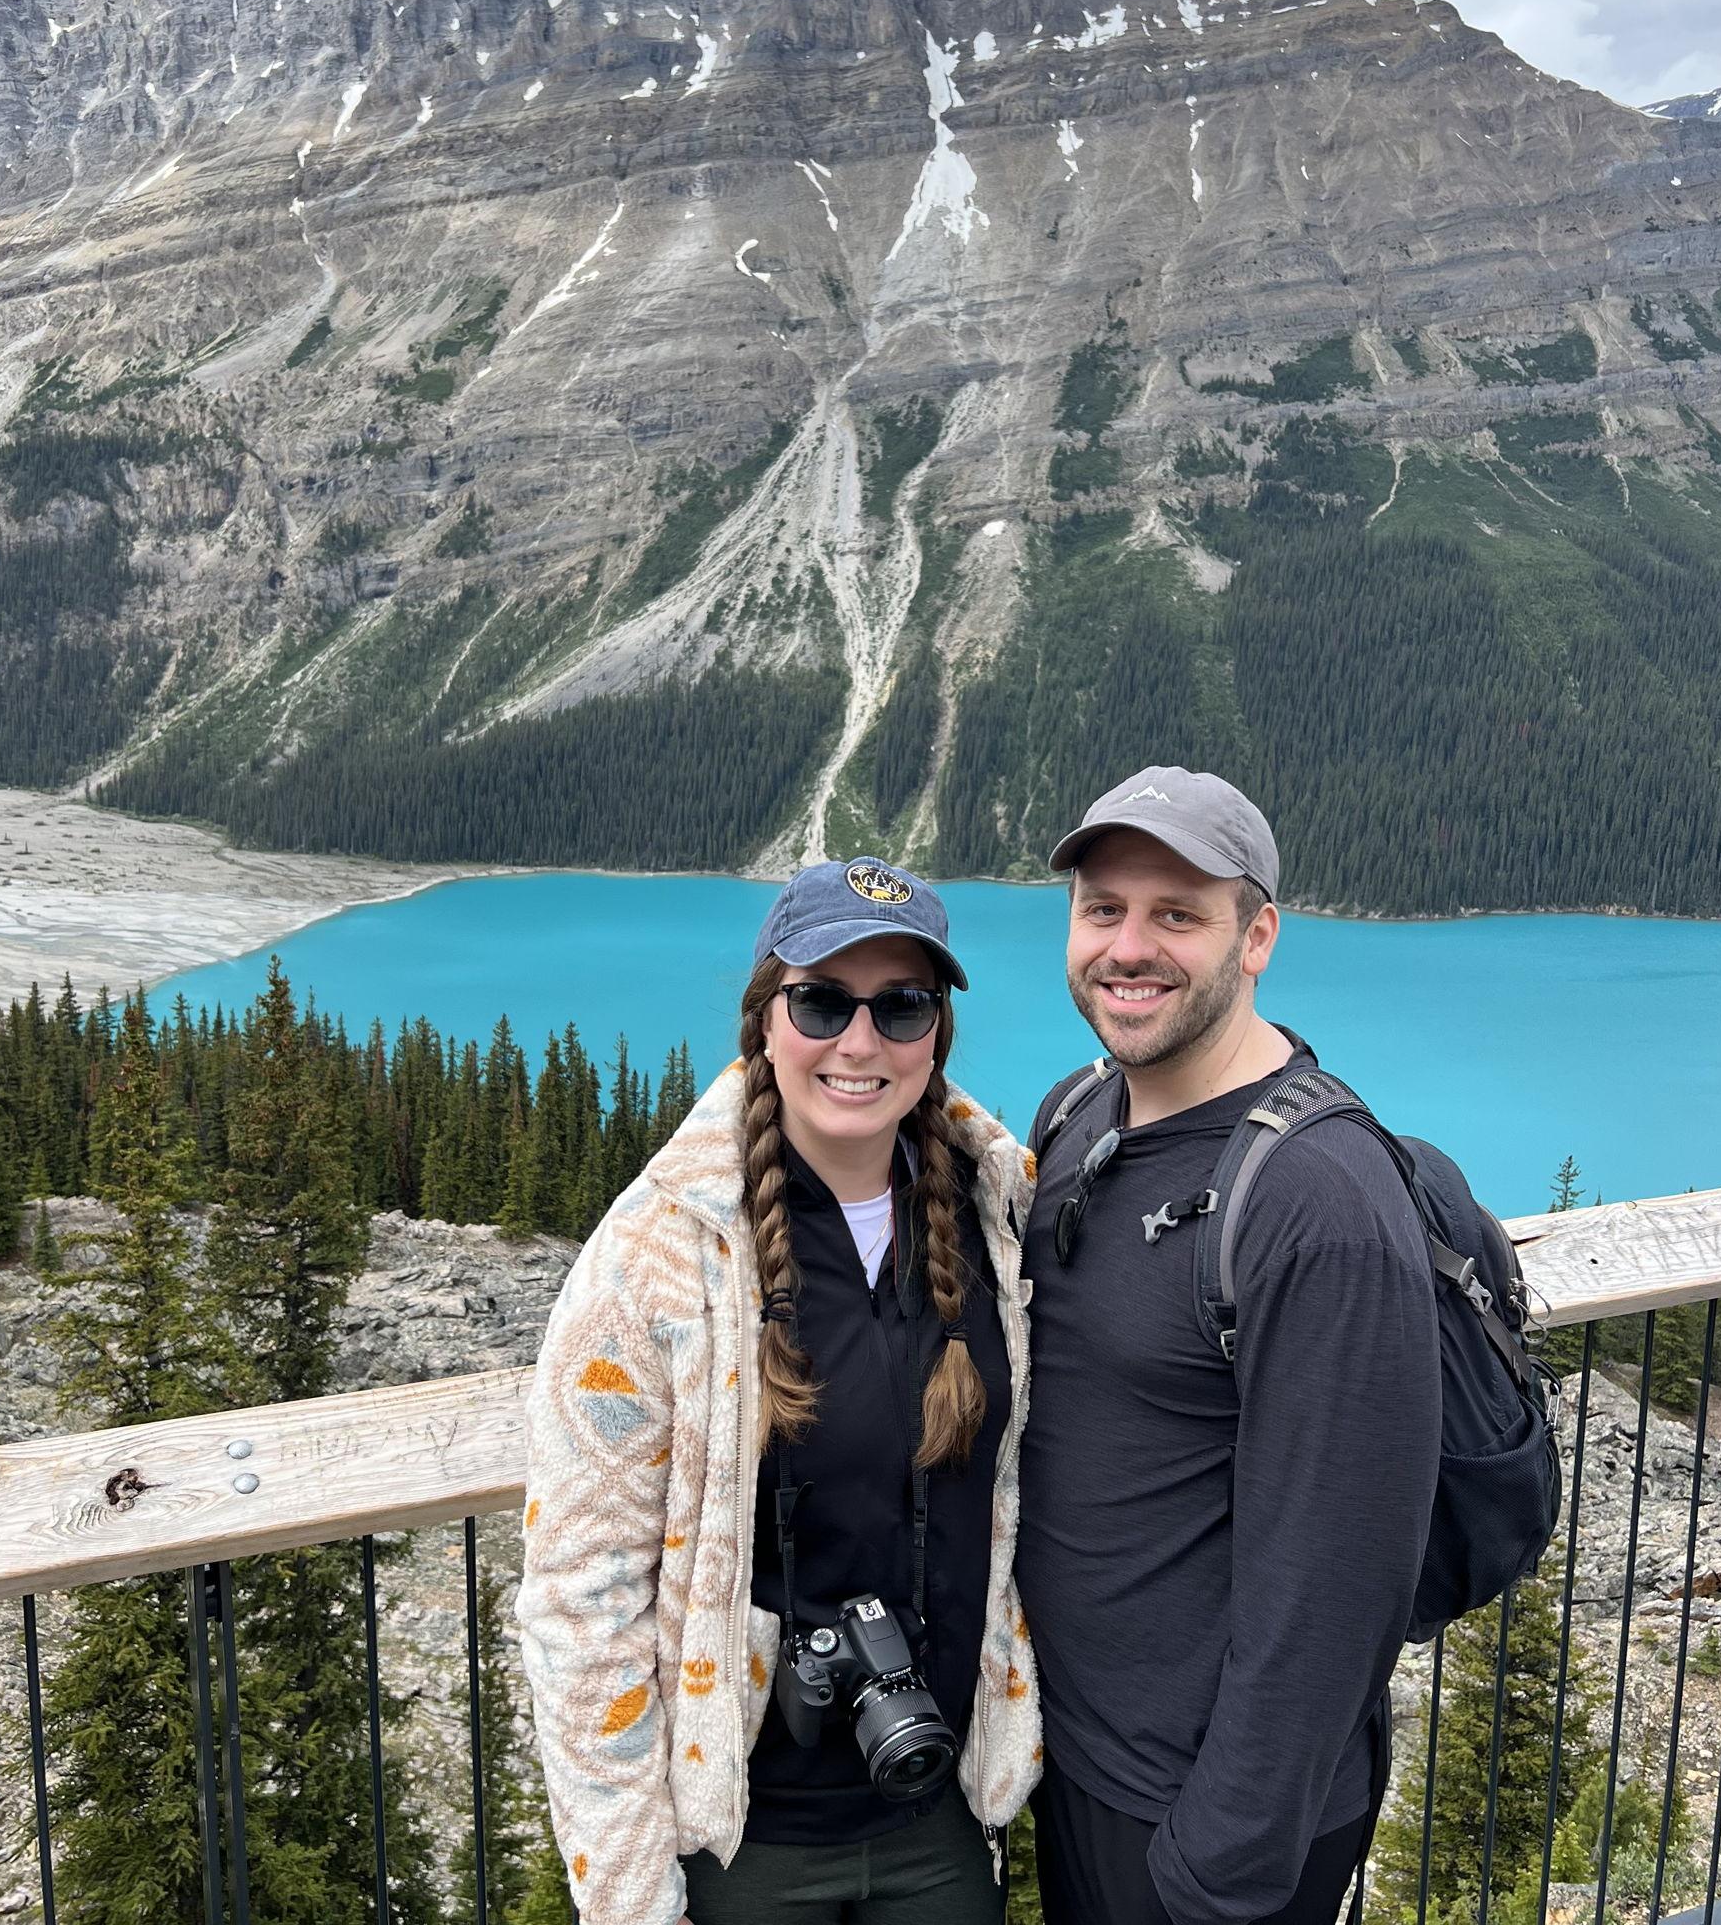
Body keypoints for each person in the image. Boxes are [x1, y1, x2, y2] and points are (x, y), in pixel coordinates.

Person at [519, 856, 1042, 1925]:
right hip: (744, 1843)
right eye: (820, 1000)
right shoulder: (655, 1257)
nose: (859, 1042)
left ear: (936, 1034)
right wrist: (626, 1895)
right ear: (764, 1018)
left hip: (936, 1812)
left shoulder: (999, 1212)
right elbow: (581, 1600)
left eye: (901, 1005)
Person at [1017, 766, 1443, 1925]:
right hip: (1079, 1761)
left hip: (1207, 1825)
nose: (1127, 946)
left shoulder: (1316, 1199)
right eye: (1102, 907)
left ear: (1255, 935)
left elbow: (1339, 1582)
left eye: (1176, 914)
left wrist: (1217, 1865)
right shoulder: (1077, 1111)